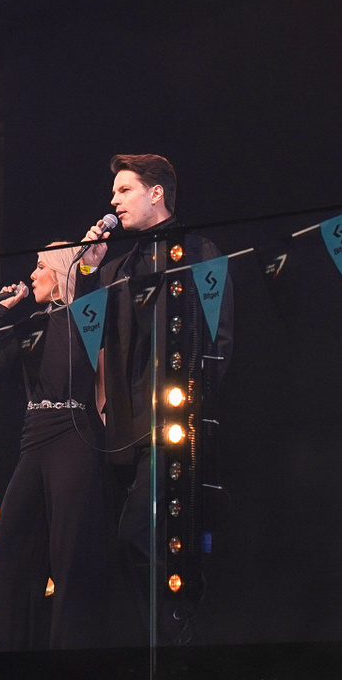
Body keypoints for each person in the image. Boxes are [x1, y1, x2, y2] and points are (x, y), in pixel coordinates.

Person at [77, 153, 229, 637]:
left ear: (156, 193)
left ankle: (175, 627)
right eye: (114, 192)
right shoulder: (118, 267)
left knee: (141, 535)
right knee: (131, 545)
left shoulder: (200, 251)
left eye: (124, 190)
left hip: (176, 423)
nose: (113, 201)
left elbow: (221, 337)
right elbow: (86, 334)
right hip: (127, 430)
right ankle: (163, 639)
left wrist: (199, 402)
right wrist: (88, 270)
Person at [0, 244, 117, 650]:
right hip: (33, 436)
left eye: (40, 266)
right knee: (6, 553)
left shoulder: (85, 316)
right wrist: (2, 309)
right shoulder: (32, 324)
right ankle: (9, 653)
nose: (32, 274)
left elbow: (102, 374)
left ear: (59, 272)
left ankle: (67, 654)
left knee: (68, 554)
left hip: (70, 433)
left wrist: (87, 265)